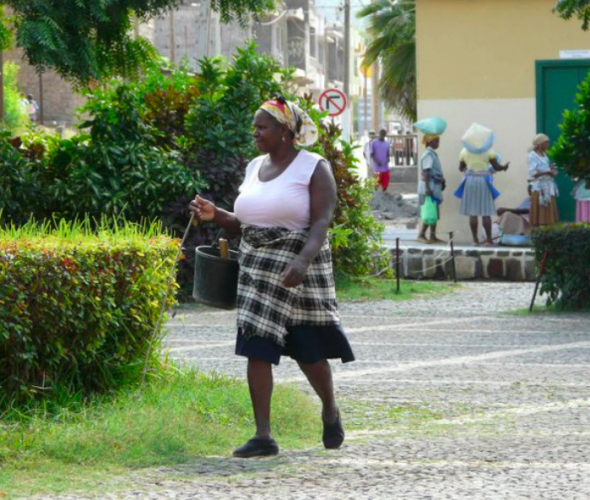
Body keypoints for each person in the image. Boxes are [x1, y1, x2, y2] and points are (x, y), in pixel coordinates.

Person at [189, 97, 355, 459]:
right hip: (256, 269)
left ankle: (329, 409)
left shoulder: (314, 167)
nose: (255, 133)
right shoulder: (254, 167)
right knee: (256, 346)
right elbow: (244, 222)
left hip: (297, 267)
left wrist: (302, 261)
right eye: (255, 127)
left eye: (262, 127)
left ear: (285, 131)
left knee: (308, 350)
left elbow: (322, 222)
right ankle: (263, 435)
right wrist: (215, 214)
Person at [455, 123, 509, 246]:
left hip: (470, 181)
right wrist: (504, 167)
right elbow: (497, 167)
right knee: (485, 212)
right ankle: (489, 240)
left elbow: (460, 168)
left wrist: (468, 169)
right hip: (484, 180)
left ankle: (475, 240)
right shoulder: (488, 150)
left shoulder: (464, 151)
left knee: (473, 213)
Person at [417, 134, 446, 244]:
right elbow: (426, 172)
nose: (438, 143)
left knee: (433, 212)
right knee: (429, 212)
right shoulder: (428, 154)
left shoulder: (432, 154)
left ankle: (432, 236)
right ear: (429, 142)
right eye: (436, 140)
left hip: (434, 186)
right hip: (428, 187)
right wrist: (428, 188)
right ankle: (422, 235)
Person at [527, 133, 559, 226]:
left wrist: (552, 171)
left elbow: (548, 166)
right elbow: (532, 173)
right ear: (540, 144)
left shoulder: (545, 155)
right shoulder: (532, 156)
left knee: (549, 212)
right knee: (541, 211)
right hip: (540, 188)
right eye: (546, 142)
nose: (548, 145)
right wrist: (547, 172)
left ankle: (547, 232)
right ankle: (540, 232)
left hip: (548, 186)